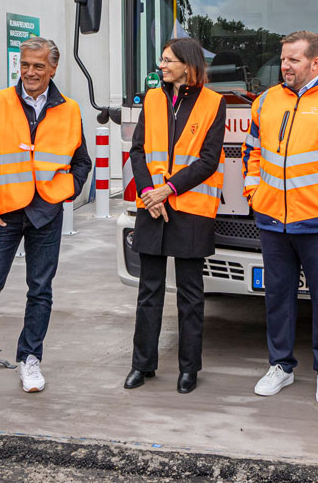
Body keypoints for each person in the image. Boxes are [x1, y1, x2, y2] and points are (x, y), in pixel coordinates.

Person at [0, 37, 91, 402]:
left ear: (53, 69)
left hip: (46, 214)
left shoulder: (70, 110)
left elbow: (81, 162)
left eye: (38, 66)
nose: (30, 72)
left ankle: (29, 358)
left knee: (40, 291)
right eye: (25, 65)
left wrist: (66, 191)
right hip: (3, 215)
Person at [242, 30, 318, 405]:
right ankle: (280, 365)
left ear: (316, 62)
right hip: (272, 220)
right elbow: (252, 153)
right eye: (283, 59)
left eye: (293, 60)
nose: (285, 66)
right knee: (277, 297)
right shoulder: (265, 101)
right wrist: (254, 193)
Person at [125, 37, 227, 394]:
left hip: (191, 210)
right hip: (153, 207)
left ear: (187, 64)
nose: (162, 66)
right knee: (148, 291)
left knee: (190, 295)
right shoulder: (153, 99)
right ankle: (142, 365)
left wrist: (168, 190)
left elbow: (208, 160)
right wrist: (150, 195)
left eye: (167, 60)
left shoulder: (214, 103)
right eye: (162, 60)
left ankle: (189, 369)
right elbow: (138, 151)